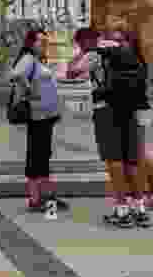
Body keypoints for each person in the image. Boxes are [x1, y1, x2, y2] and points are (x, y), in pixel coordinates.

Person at [67, 26, 150, 227]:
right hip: (131, 108)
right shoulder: (126, 50)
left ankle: (121, 211)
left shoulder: (94, 53)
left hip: (107, 110)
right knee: (133, 159)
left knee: (114, 160)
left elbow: (71, 73)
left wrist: (81, 54)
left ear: (83, 41)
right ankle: (139, 209)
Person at [10, 28, 69, 213]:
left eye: (46, 42)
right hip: (37, 116)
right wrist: (28, 91)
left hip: (46, 116)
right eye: (40, 41)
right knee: (37, 156)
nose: (44, 45)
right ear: (31, 43)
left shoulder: (38, 60)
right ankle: (36, 199)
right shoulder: (28, 58)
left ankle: (46, 196)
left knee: (43, 155)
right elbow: (16, 74)